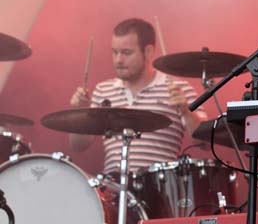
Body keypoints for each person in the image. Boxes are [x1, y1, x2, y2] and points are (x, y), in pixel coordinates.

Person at [69, 18, 208, 173]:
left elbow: (206, 143)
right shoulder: (103, 90)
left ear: (148, 52)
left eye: (126, 53)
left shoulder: (177, 88)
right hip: (113, 190)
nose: (118, 60)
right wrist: (80, 114)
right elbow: (78, 146)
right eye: (115, 52)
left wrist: (186, 112)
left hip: (160, 188)